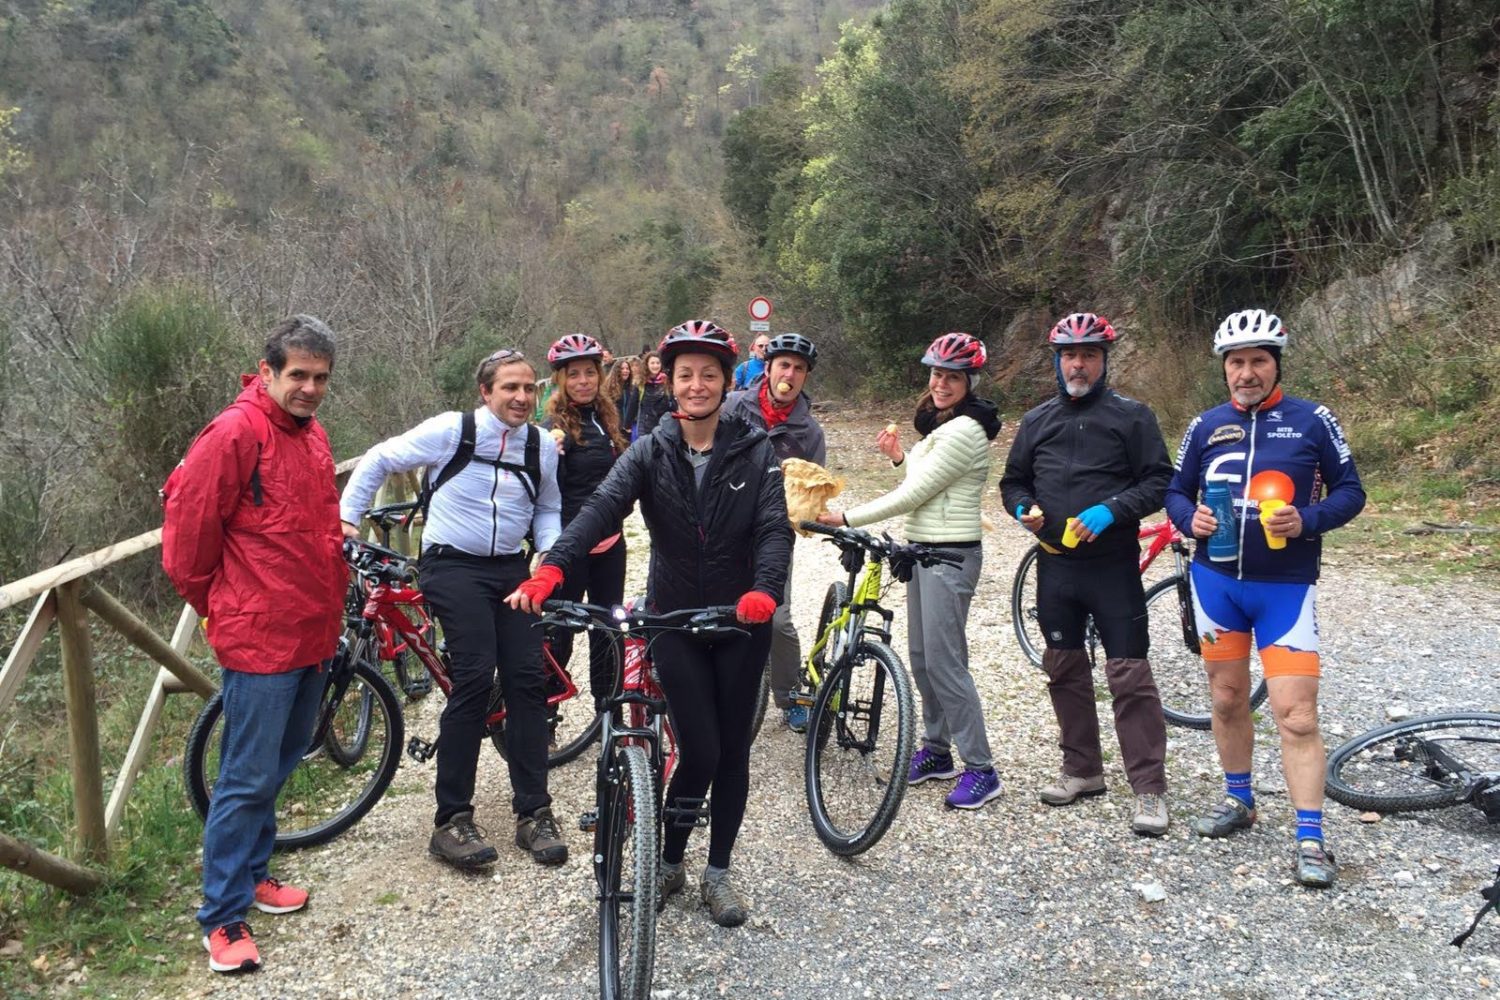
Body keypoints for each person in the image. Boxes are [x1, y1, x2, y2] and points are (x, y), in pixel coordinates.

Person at [508, 320, 791, 927]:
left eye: (708, 375)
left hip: (742, 619)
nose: (696, 385)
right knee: (702, 749)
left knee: (732, 752)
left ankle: (718, 872)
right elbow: (603, 507)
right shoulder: (650, 448)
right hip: (674, 618)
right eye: (686, 374)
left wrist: (765, 590)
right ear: (672, 380)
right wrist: (553, 568)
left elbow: (773, 527)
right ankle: (668, 861)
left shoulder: (755, 447)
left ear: (724, 382)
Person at [162, 315, 347, 974]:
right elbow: (185, 547)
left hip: (311, 631)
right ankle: (221, 915)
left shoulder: (312, 434)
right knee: (243, 778)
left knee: (279, 761)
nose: (309, 388)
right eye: (298, 375)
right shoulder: (233, 433)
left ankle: (254, 876)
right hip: (260, 639)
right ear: (266, 372)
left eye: (320, 378)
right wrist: (223, 611)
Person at [339, 348, 568, 871]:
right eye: (510, 387)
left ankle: (535, 812)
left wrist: (548, 558)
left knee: (527, 681)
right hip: (452, 565)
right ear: (485, 393)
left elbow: (549, 506)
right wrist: (347, 519)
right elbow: (379, 458)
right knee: (472, 673)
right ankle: (452, 820)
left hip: (513, 567)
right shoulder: (453, 430)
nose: (521, 397)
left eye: (530, 388)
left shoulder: (539, 446)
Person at [1165, 308, 1365, 887]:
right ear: (1224, 370)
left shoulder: (1311, 421)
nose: (1246, 372)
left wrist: (1308, 520)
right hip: (1216, 585)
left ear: (1276, 364)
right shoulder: (1205, 426)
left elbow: (1352, 491)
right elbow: (1175, 491)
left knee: (1297, 716)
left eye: (1257, 361)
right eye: (1236, 363)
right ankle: (1240, 800)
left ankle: (1310, 836)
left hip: (1285, 590)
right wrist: (1189, 518)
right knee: (1226, 699)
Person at [998, 313, 1174, 837]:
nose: (1079, 364)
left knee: (1129, 676)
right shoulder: (1037, 420)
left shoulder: (1132, 416)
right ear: (1057, 361)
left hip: (1111, 566)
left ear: (1103, 361)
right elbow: (1012, 481)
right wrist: (1023, 506)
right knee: (1064, 668)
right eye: (1070, 355)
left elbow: (1160, 481)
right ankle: (1083, 771)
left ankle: (1149, 790)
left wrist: (1113, 509)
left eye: (1090, 355)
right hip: (1055, 564)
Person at [817, 333, 1003, 810]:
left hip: (951, 556)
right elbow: (923, 482)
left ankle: (981, 767)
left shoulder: (964, 430)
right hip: (925, 551)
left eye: (952, 377)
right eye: (936, 373)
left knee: (946, 662)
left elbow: (913, 496)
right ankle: (938, 751)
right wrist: (900, 457)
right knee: (922, 658)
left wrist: (847, 517)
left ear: (969, 382)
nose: (940, 383)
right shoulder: (945, 424)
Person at [724, 332, 826, 732]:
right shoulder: (733, 407)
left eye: (799, 369)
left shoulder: (809, 432)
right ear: (766, 369)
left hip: (774, 535)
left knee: (778, 620)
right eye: (784, 365)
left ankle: (788, 694)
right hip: (724, 528)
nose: (790, 374)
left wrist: (808, 510)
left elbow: (814, 489)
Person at [541, 334, 631, 706]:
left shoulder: (607, 417)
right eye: (574, 374)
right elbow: (544, 493)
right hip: (572, 547)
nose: (583, 381)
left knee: (609, 630)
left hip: (611, 545)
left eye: (589, 373)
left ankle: (607, 709)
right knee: (558, 632)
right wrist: (549, 454)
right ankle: (544, 716)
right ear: (561, 380)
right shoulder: (553, 428)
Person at [606, 355, 642, 438]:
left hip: (629, 428)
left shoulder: (632, 388)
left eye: (627, 369)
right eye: (622, 369)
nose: (625, 371)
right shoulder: (609, 389)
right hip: (615, 429)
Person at [636, 350, 670, 437]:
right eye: (652, 363)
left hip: (664, 424)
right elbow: (633, 404)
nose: (655, 366)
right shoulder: (641, 382)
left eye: (658, 363)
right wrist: (627, 425)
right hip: (646, 426)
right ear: (647, 365)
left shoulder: (667, 381)